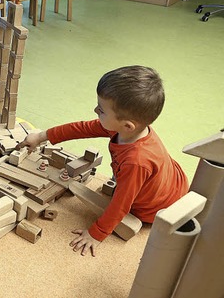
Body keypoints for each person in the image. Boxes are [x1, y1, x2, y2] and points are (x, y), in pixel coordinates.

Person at [18, 65, 189, 257]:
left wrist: (96, 234)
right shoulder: (127, 128)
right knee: (131, 178)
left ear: (127, 125)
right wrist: (41, 136)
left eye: (101, 110)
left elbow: (121, 205)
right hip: (174, 182)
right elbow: (80, 128)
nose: (95, 110)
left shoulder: (136, 161)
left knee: (123, 191)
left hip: (155, 207)